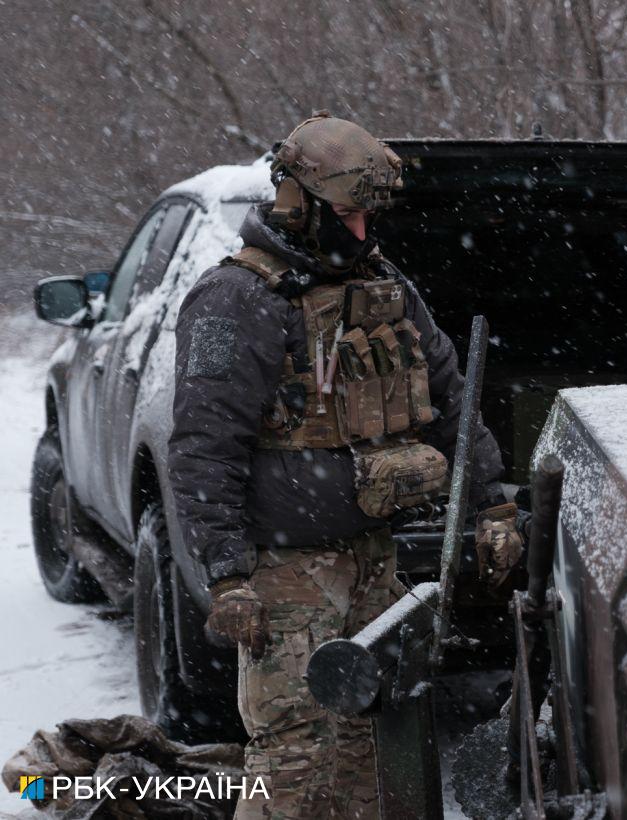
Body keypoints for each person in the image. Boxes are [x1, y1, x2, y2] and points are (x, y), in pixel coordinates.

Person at [169, 112, 522, 818]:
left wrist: (492, 508)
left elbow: (453, 401)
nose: (362, 233)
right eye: (347, 214)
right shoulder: (237, 300)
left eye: (370, 216)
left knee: (367, 748)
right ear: (296, 201)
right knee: (296, 758)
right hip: (286, 574)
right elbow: (204, 448)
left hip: (372, 560)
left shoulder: (385, 287)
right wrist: (228, 573)